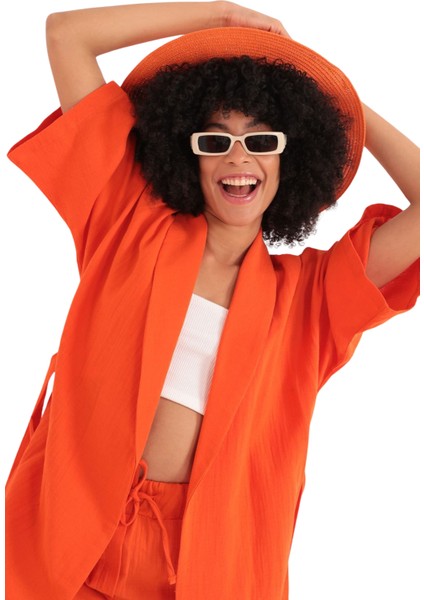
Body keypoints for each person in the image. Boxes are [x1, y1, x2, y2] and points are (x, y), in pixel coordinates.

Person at [5, 2, 420, 599]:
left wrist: (339, 101)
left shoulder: (312, 298)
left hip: (207, 566)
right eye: (215, 140)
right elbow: (66, 35)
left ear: (291, 158)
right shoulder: (126, 220)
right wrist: (218, 17)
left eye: (263, 140)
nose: (238, 157)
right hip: (72, 542)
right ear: (187, 152)